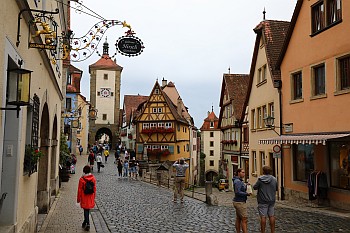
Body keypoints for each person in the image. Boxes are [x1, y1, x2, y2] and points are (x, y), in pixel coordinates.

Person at [253, 166, 278, 233]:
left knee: (263, 217)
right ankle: (273, 231)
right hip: (271, 200)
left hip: (262, 200)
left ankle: (263, 231)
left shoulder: (260, 179)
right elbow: (276, 188)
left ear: (263, 171)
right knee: (271, 216)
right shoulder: (274, 179)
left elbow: (255, 187)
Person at [77, 165, 96, 231]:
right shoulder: (93, 178)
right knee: (87, 210)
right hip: (90, 196)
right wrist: (94, 196)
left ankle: (88, 223)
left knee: (86, 210)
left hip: (84, 196)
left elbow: (79, 189)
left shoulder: (82, 179)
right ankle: (85, 222)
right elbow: (94, 188)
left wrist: (78, 199)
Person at [233, 168, 251, 233]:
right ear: (238, 173)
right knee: (244, 219)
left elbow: (241, 189)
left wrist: (246, 186)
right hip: (240, 202)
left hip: (238, 201)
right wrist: (246, 194)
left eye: (244, 172)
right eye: (242, 172)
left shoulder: (239, 181)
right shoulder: (237, 181)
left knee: (239, 218)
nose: (244, 174)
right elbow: (237, 192)